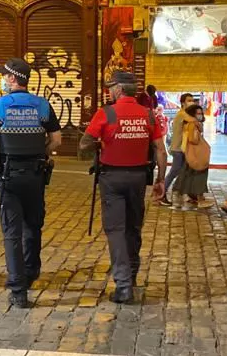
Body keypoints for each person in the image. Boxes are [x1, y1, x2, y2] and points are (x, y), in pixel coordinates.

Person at [0, 58, 62, 308]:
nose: (2, 80)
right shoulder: (42, 105)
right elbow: (57, 139)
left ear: (13, 79)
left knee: (12, 232)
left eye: (4, 76)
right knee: (33, 225)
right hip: (35, 175)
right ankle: (31, 271)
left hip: (7, 176)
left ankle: (18, 289)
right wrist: (41, 153)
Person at [80, 71, 168, 304]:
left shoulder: (106, 113)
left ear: (118, 89)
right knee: (133, 227)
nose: (109, 91)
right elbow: (161, 150)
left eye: (111, 87)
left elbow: (84, 144)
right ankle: (133, 274)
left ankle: (123, 285)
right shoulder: (148, 114)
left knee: (116, 230)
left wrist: (101, 143)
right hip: (138, 178)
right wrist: (161, 179)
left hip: (112, 178)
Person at [173, 105, 212, 210]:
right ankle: (200, 199)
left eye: (201, 113)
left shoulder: (191, 123)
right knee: (199, 174)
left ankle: (187, 194)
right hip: (195, 153)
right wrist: (197, 130)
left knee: (188, 174)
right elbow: (193, 139)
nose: (200, 115)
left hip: (192, 153)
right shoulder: (193, 124)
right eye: (198, 113)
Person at [160, 93, 194, 206]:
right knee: (174, 171)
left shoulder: (184, 114)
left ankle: (182, 192)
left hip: (181, 148)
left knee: (183, 171)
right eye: (189, 100)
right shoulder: (182, 114)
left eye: (192, 100)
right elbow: (197, 120)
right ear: (183, 103)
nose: (191, 102)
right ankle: (161, 194)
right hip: (178, 148)